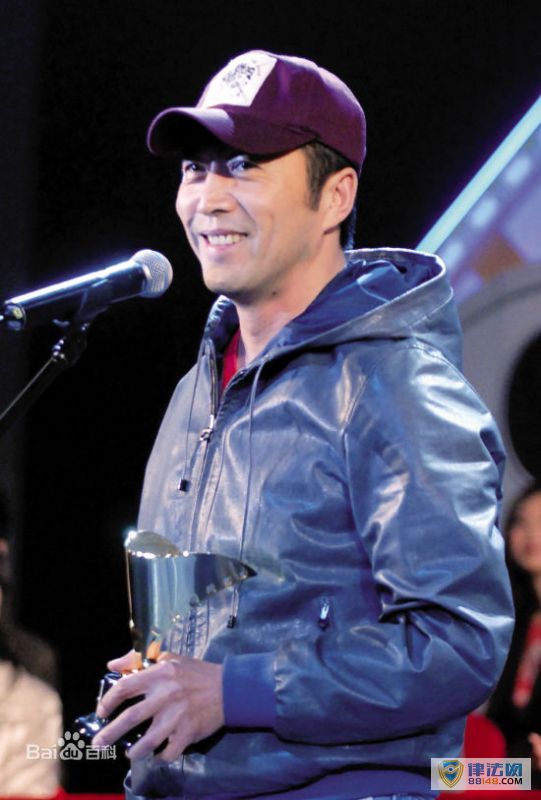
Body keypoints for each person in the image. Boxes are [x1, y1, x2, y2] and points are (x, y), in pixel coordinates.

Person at [92, 50, 514, 799]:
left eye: (244, 166)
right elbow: (219, 639)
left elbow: (458, 640)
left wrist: (232, 691)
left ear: (335, 196)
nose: (208, 197)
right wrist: (162, 681)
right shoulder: (197, 391)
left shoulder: (393, 381)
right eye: (194, 169)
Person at [487, 481, 541, 788]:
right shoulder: (509, 620)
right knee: (430, 775)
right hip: (510, 770)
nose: (532, 532)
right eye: (521, 521)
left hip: (523, 775)